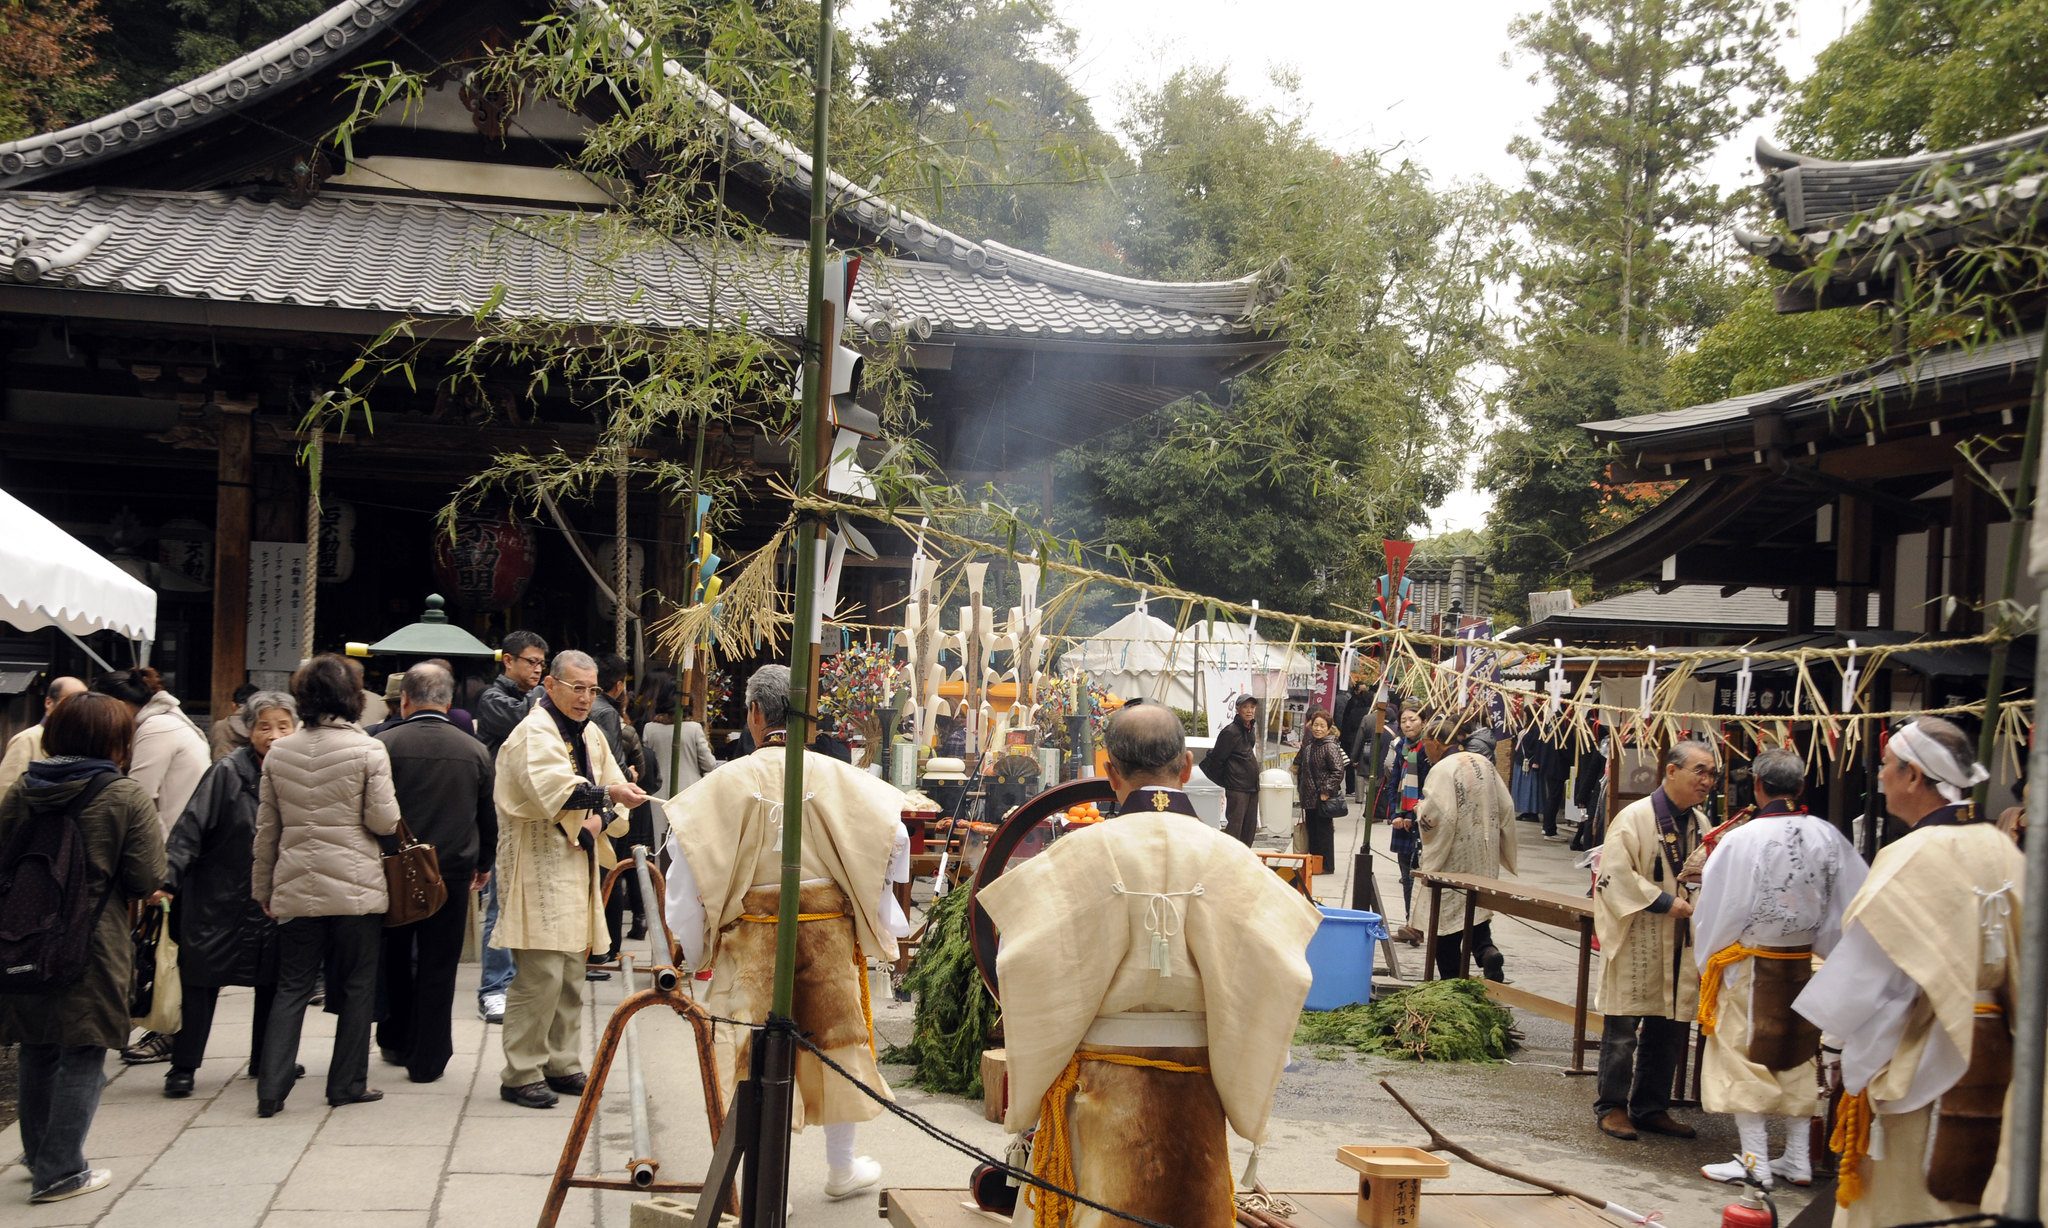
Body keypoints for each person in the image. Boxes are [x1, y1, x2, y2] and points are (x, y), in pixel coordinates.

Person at [978, 702, 1322, 1228]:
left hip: (1099, 1078)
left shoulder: (1080, 853)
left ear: (1109, 772)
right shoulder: (1232, 857)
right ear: (1185, 767)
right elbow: (1283, 965)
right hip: (1200, 1079)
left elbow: (1022, 959)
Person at [661, 663, 910, 1200]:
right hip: (826, 936)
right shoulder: (842, 779)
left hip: (752, 939)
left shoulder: (721, 784)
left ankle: (758, 1188)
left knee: (750, 1053)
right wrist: (882, 922)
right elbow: (895, 842)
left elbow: (685, 871)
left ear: (754, 713)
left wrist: (690, 944)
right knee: (836, 1044)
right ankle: (841, 1167)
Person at [1794, 717, 2023, 1225]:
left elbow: (1873, 983)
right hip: (1999, 1048)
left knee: (1905, 1192)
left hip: (1925, 1051)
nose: (1880, 779)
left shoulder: (1912, 855)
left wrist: (1838, 1050)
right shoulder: (2005, 850)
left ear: (1913, 776)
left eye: (1887, 768)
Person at [0, 693, 164, 1205]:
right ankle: (61, 1170)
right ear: (116, 740)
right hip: (92, 939)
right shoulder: (123, 795)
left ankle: (38, 1154)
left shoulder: (24, 789)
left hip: (24, 934)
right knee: (83, 1049)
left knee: (38, 1044)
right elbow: (146, 877)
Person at [1691, 748, 1866, 1189]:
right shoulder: (1828, 835)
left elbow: (1718, 908)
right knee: (1796, 1053)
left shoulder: (1742, 838)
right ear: (1801, 787)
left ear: (1758, 786)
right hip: (1803, 959)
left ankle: (1755, 1160)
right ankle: (1798, 1159)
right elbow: (1851, 901)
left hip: (1751, 960)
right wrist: (1833, 952)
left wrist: (1709, 959)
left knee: (1742, 1055)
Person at [250, 654, 403, 1117]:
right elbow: (384, 819)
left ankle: (271, 1089)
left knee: (292, 986)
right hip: (357, 887)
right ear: (352, 698)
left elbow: (267, 829)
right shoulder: (368, 750)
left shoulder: (280, 751)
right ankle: (347, 1083)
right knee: (357, 986)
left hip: (296, 882)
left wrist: (263, 889)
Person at [491, 650, 643, 1110]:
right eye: (576, 687)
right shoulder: (533, 732)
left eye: (592, 689)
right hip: (537, 862)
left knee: (573, 971)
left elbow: (617, 789)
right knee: (541, 973)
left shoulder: (593, 732)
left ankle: (562, 1061)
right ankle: (521, 1071)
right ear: (551, 686)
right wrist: (607, 800)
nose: (584, 698)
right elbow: (555, 791)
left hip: (575, 863)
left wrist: (604, 815)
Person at [158, 691, 298, 1099]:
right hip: (218, 895)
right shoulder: (226, 771)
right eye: (264, 726)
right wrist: (167, 877)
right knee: (201, 981)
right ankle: (183, 1066)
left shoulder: (297, 771)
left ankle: (265, 1058)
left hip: (272, 894)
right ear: (249, 730)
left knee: (273, 980)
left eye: (283, 726)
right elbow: (190, 828)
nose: (273, 735)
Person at [374, 662, 495, 1084]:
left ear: (404, 700)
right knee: (439, 964)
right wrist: (484, 863)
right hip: (452, 871)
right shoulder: (474, 750)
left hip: (393, 869)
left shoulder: (383, 744)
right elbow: (486, 816)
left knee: (394, 956)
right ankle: (429, 1056)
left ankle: (395, 1037)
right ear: (448, 702)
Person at [1592, 739, 1717, 1141]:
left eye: (1712, 773)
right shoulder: (1634, 818)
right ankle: (1612, 1105)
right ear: (1671, 771)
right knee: (1624, 1029)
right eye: (1700, 771)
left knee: (1670, 1028)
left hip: (1681, 941)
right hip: (1638, 935)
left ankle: (1650, 1105)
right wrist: (1665, 902)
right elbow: (1613, 875)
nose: (1708, 781)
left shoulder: (1702, 825)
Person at [91, 668, 213, 1066]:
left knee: (168, 949)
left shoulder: (154, 729)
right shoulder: (169, 721)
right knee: (170, 946)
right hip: (185, 849)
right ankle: (168, 1028)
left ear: (124, 705)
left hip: (173, 854)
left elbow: (137, 799)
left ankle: (170, 1032)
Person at [473, 629, 547, 1025]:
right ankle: (493, 987)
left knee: (526, 901)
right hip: (500, 812)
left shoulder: (532, 698)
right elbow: (527, 724)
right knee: (500, 903)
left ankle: (516, 981)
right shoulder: (493, 698)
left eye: (541, 664)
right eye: (531, 662)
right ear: (508, 660)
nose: (537, 670)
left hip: (531, 810)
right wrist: (547, 695)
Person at [1416, 730, 1518, 982]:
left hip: (1454, 853)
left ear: (1437, 743)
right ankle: (1486, 951)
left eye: (1426, 744)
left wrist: (1420, 814)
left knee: (1446, 917)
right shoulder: (1483, 762)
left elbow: (1437, 813)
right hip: (1484, 850)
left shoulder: (1442, 769)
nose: (1425, 751)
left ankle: (1451, 980)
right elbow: (1507, 807)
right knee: (1476, 908)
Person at [88, 668, 210, 833]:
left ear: (119, 706)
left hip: (170, 843)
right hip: (181, 835)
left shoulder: (156, 727)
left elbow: (137, 798)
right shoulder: (165, 719)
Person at [1379, 703, 1433, 942]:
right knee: (1405, 871)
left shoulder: (1426, 749)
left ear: (1423, 721)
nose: (1408, 724)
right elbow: (1393, 782)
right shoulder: (1401, 746)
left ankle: (1416, 925)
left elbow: (1428, 788)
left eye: (1413, 719)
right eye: (1404, 721)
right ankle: (1410, 921)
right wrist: (1395, 815)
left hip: (1420, 819)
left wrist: (1412, 815)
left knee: (1417, 872)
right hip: (1401, 818)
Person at [0, 675, 86, 793]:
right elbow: (6, 789)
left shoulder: (77, 741)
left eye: (83, 702)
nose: (76, 707)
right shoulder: (27, 739)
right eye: (69, 700)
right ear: (49, 702)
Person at [1203, 695, 1264, 845]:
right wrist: (1228, 780)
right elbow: (1216, 760)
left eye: (1252, 707)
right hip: (1237, 787)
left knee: (1249, 827)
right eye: (1245, 707)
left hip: (1251, 786)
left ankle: (1244, 858)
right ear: (1237, 709)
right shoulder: (1230, 731)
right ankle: (1230, 859)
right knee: (1235, 827)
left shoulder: (1250, 729)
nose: (1249, 711)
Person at [1294, 707, 1346, 871]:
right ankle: (1314, 865)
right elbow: (1301, 768)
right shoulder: (1309, 746)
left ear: (1329, 728)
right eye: (1315, 725)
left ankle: (1326, 865)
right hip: (1309, 797)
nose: (1318, 729)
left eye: (1322, 725)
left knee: (1323, 834)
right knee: (1313, 834)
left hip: (1322, 798)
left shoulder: (1330, 746)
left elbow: (1338, 771)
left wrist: (1326, 790)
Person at [207, 682, 260, 761]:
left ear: (233, 705)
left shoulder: (220, 726)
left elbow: (215, 756)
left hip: (223, 771)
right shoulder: (263, 728)